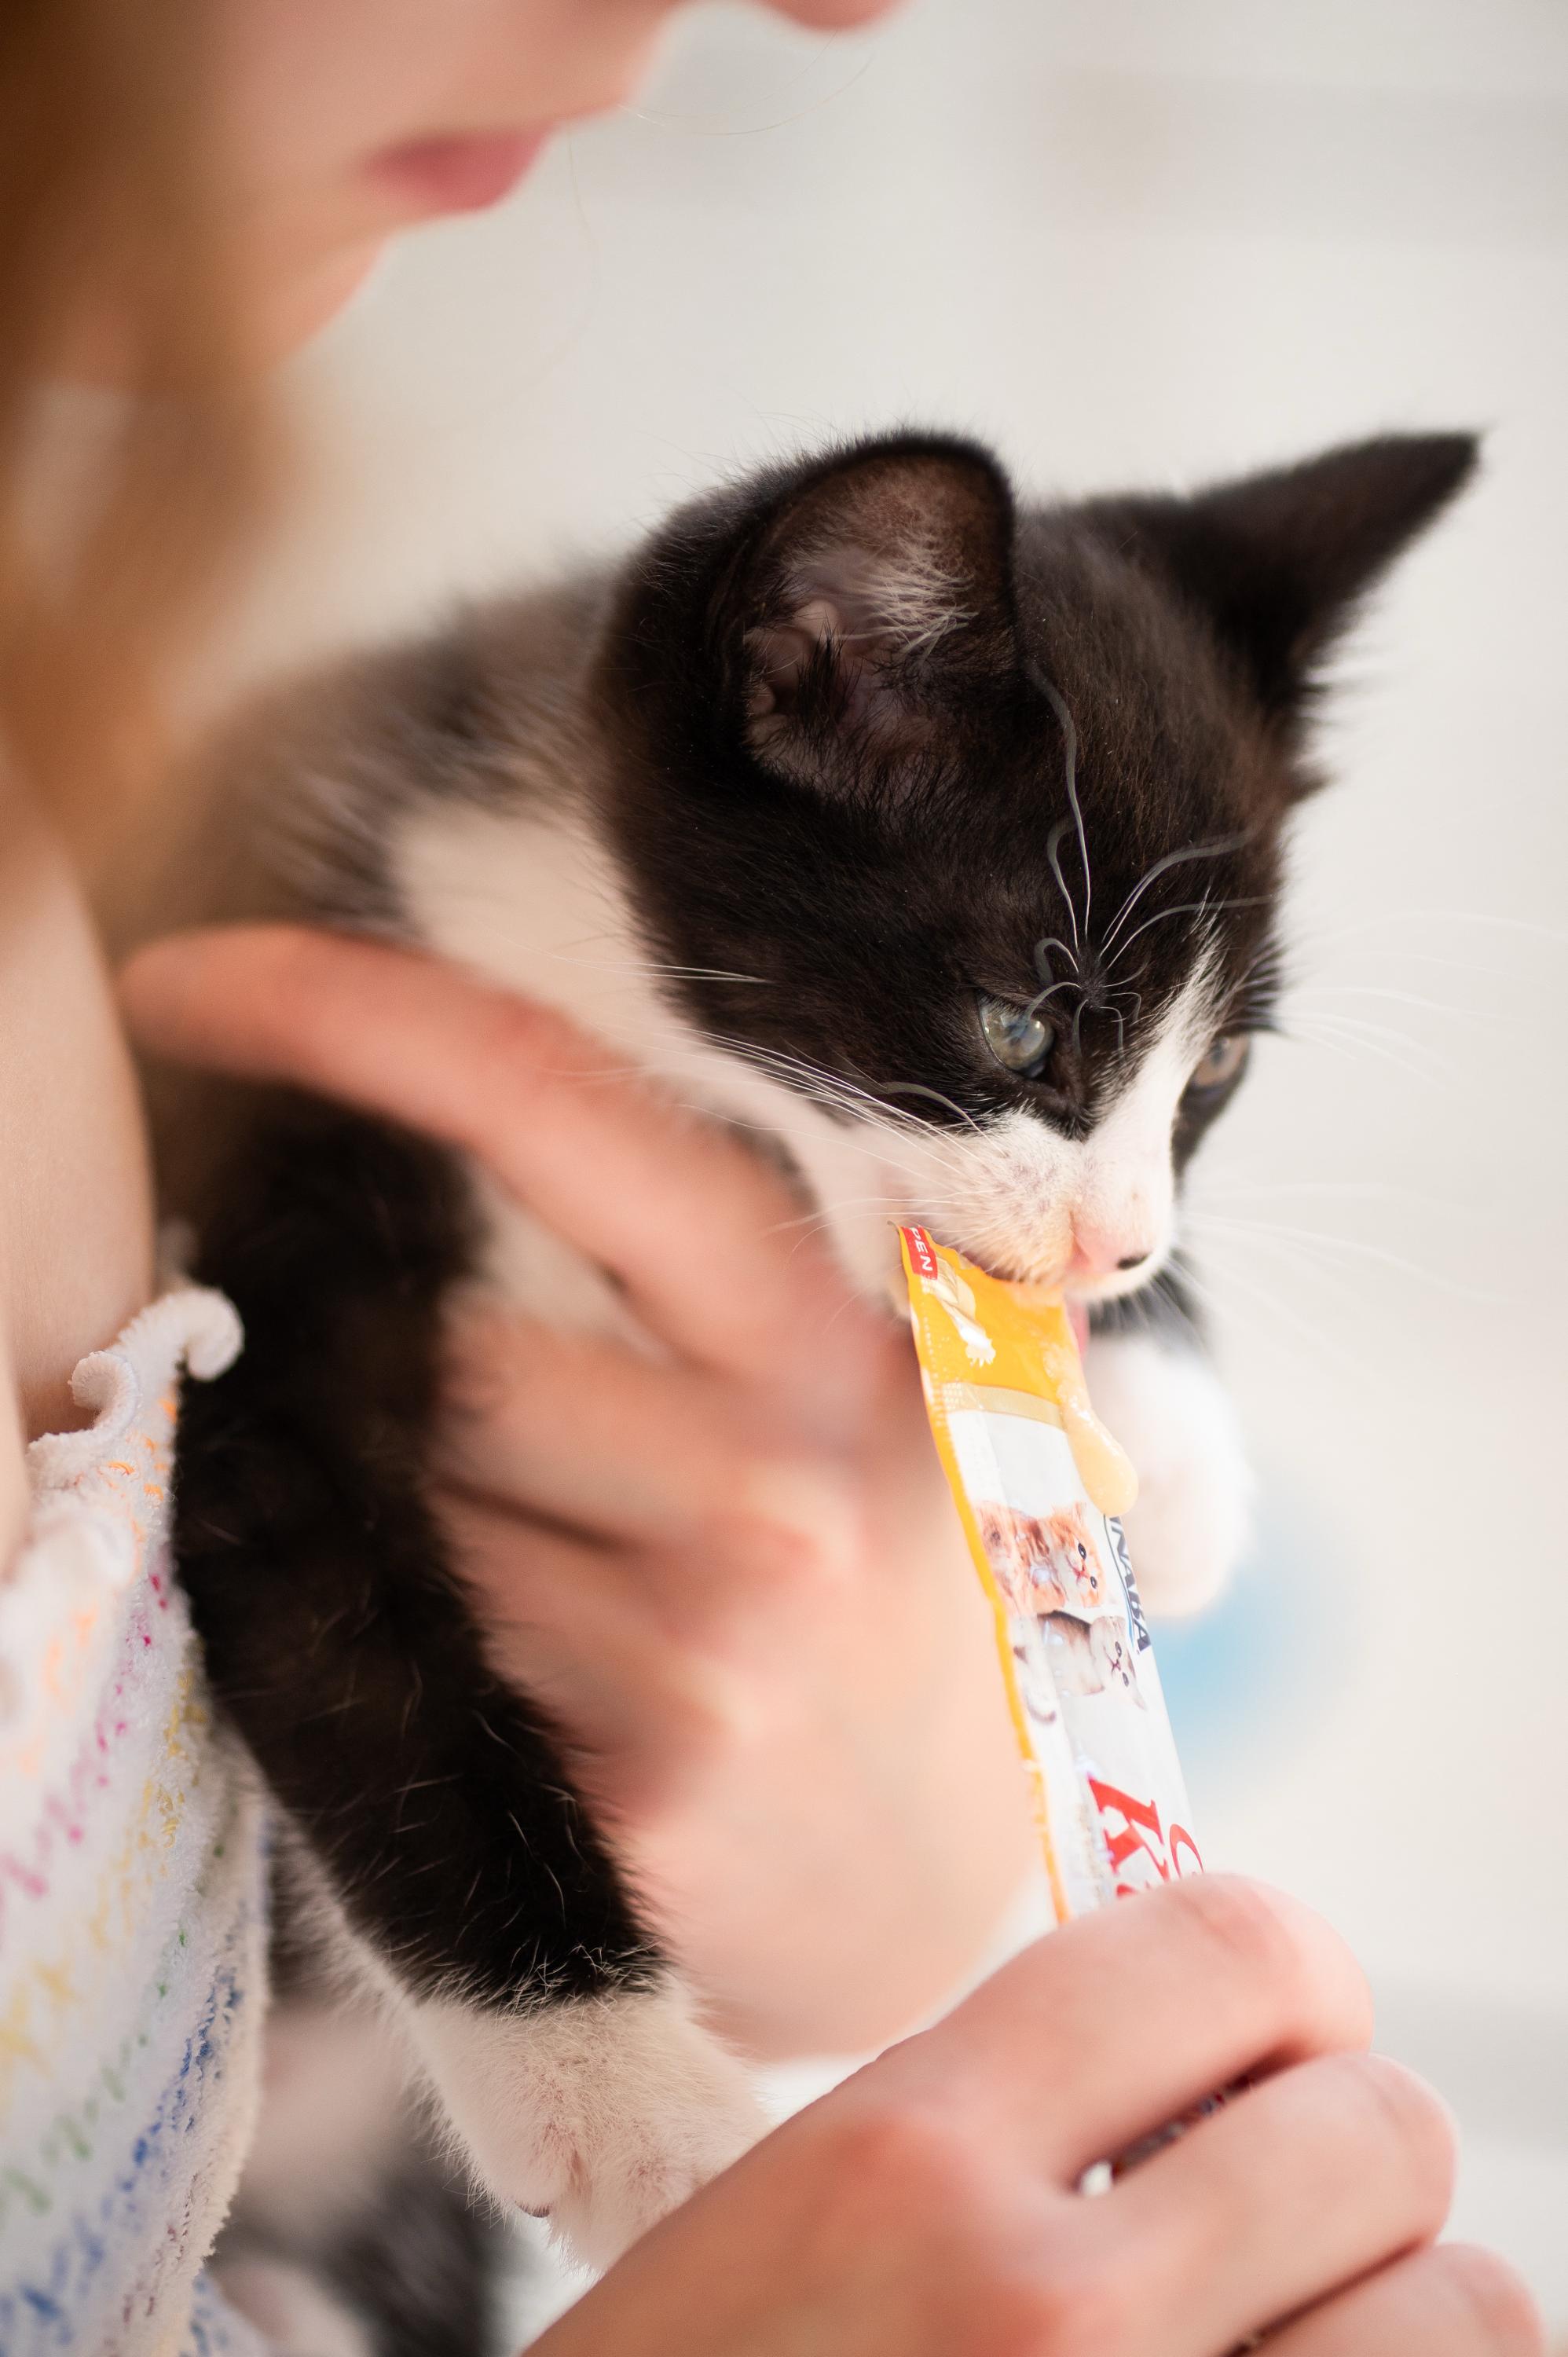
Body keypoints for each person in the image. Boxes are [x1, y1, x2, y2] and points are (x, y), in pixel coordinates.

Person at [0, 2, 1541, 2351]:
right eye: (1039, 1054)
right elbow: (290, 1508)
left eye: (1190, 1099)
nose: (828, 7)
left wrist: (888, 1849)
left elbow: (1189, 1525)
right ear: (797, 675)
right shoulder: (285, 859)